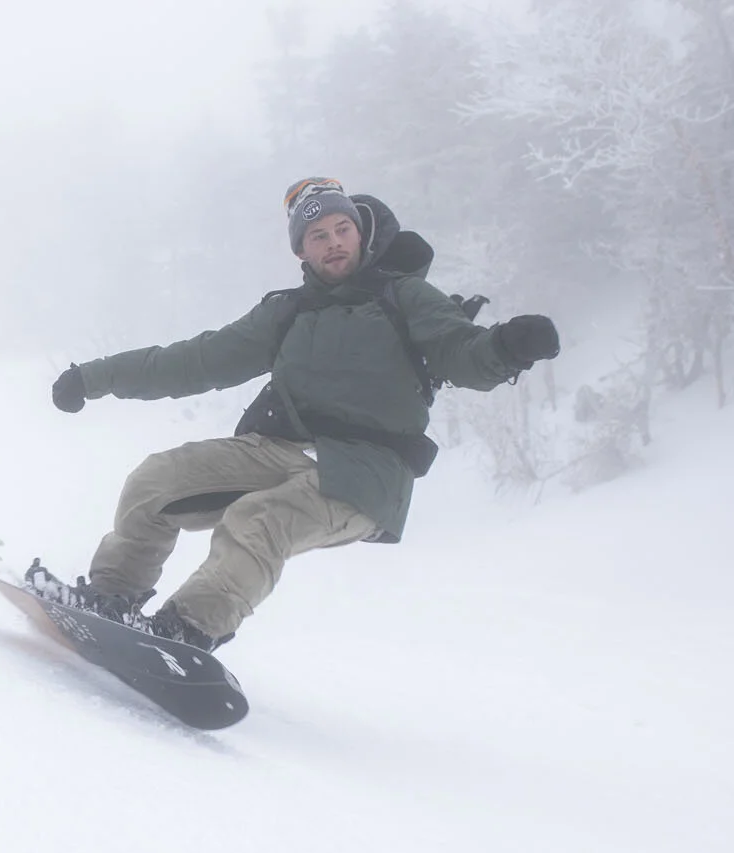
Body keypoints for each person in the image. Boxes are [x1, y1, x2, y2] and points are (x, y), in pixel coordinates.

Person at [42, 177, 560, 651]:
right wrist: (94, 377)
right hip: (277, 450)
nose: (333, 242)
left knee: (259, 520)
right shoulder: (289, 311)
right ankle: (112, 598)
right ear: (301, 252)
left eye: (341, 229)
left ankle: (186, 631)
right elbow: (193, 362)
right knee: (157, 479)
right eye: (317, 235)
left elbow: (462, 353)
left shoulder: (406, 298)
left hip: (367, 471)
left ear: (361, 235)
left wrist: (509, 347)